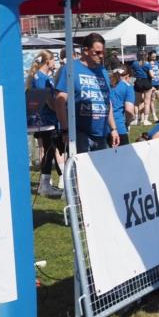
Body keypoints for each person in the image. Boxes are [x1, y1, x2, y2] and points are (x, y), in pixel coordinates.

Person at [55, 33, 119, 153]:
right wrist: (65, 130)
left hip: (101, 133)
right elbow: (60, 100)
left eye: (103, 52)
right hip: (79, 133)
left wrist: (113, 128)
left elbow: (107, 101)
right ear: (85, 51)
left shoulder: (103, 71)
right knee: (82, 165)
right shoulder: (70, 68)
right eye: (97, 52)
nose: (101, 56)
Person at [26, 50, 65, 198]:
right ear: (48, 61)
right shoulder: (41, 78)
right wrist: (60, 109)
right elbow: (48, 100)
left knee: (50, 151)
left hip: (46, 120)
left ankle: (46, 184)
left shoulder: (41, 77)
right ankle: (56, 182)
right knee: (55, 149)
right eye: (53, 59)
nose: (55, 62)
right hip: (46, 121)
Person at [109, 68, 136, 145]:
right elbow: (129, 110)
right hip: (118, 127)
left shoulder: (108, 84)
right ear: (127, 76)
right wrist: (130, 120)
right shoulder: (127, 86)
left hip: (103, 127)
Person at [130, 52, 153, 125]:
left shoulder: (134, 63)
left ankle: (136, 120)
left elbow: (132, 72)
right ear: (146, 56)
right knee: (147, 102)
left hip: (138, 82)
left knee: (136, 102)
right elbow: (152, 75)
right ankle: (145, 120)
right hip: (146, 82)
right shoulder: (147, 64)